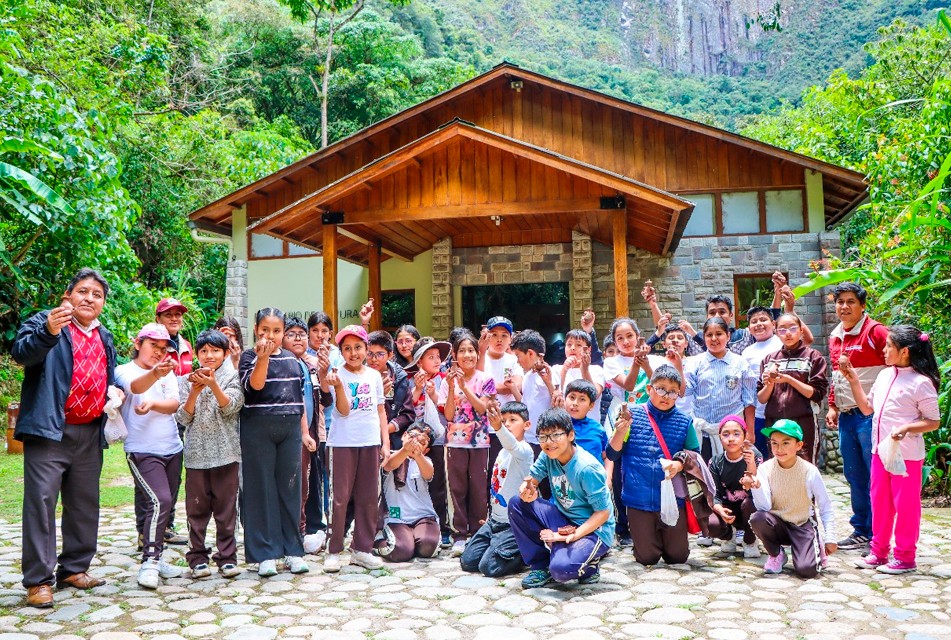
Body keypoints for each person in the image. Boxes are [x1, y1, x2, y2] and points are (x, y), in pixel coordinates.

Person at [13, 269, 118, 607]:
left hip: (90, 431)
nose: (89, 298)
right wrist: (48, 331)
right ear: (68, 295)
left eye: (97, 294)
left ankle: (74, 568)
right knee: (41, 503)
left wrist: (114, 391)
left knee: (84, 503)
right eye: (83, 291)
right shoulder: (45, 322)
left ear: (103, 303)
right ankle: (38, 581)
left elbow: (109, 375)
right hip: (49, 431)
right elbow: (22, 354)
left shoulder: (104, 335)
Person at [843, 326, 941, 574]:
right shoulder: (885, 375)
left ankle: (905, 558)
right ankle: (878, 552)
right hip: (880, 452)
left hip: (906, 456)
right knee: (880, 503)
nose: (884, 350)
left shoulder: (921, 383)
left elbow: (933, 421)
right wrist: (853, 380)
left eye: (888, 346)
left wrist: (907, 428)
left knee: (906, 506)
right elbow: (867, 409)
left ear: (904, 351)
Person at [239, 308, 316, 577]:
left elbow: (300, 402)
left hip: (289, 430)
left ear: (283, 332)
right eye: (264, 331)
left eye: (276, 331)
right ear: (256, 331)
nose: (270, 336)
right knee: (261, 490)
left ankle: (293, 551)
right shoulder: (249, 357)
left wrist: (304, 433)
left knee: (290, 490)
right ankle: (265, 554)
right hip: (257, 429)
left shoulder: (293, 361)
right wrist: (262, 359)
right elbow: (256, 386)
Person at [509, 408, 615, 588]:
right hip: (563, 518)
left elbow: (603, 513)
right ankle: (541, 566)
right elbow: (531, 480)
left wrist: (572, 536)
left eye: (556, 435)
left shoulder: (587, 468)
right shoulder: (547, 455)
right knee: (517, 503)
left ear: (571, 435)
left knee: (561, 570)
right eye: (543, 437)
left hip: (594, 530)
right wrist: (527, 491)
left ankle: (590, 567)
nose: (549, 442)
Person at [606, 365, 700, 566]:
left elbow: (694, 455)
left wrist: (679, 464)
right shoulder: (631, 415)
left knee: (677, 557)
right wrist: (620, 431)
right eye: (661, 389)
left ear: (678, 395)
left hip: (672, 498)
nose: (666, 396)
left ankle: (665, 539)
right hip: (638, 498)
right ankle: (645, 541)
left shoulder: (684, 422)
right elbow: (613, 454)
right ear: (649, 389)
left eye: (673, 391)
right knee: (647, 557)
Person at [115, 323, 185, 589]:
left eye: (163, 348)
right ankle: (150, 561)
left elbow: (174, 404)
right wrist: (155, 374)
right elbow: (134, 387)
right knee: (159, 500)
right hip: (142, 449)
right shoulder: (124, 370)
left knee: (164, 505)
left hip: (172, 448)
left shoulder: (166, 372)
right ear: (138, 343)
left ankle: (158, 558)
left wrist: (155, 403)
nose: (158, 352)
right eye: (153, 345)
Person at [826, 282, 889, 551]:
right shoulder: (835, 335)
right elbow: (837, 376)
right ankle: (862, 529)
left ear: (863, 305)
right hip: (847, 417)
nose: (844, 306)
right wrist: (832, 406)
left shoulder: (876, 332)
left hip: (870, 417)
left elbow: (897, 363)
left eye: (851, 301)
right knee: (854, 476)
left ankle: (879, 532)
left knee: (875, 476)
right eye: (840, 301)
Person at [176, 329, 244, 579]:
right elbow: (182, 418)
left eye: (215, 350)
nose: (209, 355)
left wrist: (213, 384)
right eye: (204, 351)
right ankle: (197, 558)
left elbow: (231, 408)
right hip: (196, 457)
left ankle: (227, 558)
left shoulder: (233, 377)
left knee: (227, 511)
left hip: (227, 454)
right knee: (196, 511)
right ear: (197, 354)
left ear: (225, 353)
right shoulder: (186, 381)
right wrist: (195, 391)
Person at [322, 325, 389, 572]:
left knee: (369, 497)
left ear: (366, 348)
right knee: (339, 498)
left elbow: (380, 410)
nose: (353, 353)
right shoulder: (335, 374)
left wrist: (385, 442)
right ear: (341, 351)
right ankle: (333, 550)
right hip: (342, 443)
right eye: (347, 348)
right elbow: (343, 410)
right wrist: (339, 386)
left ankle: (362, 549)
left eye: (358, 347)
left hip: (370, 442)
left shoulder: (373, 376)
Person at [747, 419, 837, 578]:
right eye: (774, 443)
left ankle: (815, 546)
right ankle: (776, 554)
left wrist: (830, 537)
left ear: (799, 445)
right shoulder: (765, 469)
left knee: (807, 570)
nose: (779, 449)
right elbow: (764, 507)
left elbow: (825, 505)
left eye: (786, 443)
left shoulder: (809, 471)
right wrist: (757, 487)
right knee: (757, 518)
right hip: (777, 524)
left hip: (801, 523)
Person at [439, 329, 496, 556]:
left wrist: (465, 388)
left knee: (479, 489)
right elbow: (449, 415)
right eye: (462, 351)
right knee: (457, 489)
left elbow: (483, 409)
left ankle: (479, 533)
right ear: (455, 355)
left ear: (477, 353)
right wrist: (453, 387)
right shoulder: (447, 381)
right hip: (455, 443)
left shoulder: (486, 380)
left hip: (480, 442)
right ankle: (459, 535)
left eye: (471, 350)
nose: (467, 355)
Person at [461, 401, 534, 577]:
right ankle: (497, 546)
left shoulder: (525, 451)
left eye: (513, 420)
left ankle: (526, 551)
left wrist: (498, 427)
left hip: (512, 524)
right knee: (468, 562)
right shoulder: (502, 452)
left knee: (488, 567)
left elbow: (512, 445)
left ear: (526, 425)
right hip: (494, 521)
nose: (507, 424)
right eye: (504, 420)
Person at [146, 298, 193, 547]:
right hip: (154, 416)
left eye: (178, 314)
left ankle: (166, 526)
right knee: (152, 475)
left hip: (180, 417)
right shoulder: (151, 344)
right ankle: (146, 530)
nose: (174, 318)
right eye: (168, 314)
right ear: (158, 318)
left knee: (174, 475)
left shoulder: (186, 346)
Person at [284, 317, 332, 555]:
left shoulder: (310, 364)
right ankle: (294, 533)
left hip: (312, 432)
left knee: (309, 483)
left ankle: (308, 529)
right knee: (294, 485)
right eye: (291, 334)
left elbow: (326, 399)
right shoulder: (281, 364)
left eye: (301, 334)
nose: (298, 338)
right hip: (288, 434)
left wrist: (322, 372)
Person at [757, 313, 828, 464]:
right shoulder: (769, 360)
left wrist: (789, 379)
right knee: (778, 465)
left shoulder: (813, 357)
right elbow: (762, 398)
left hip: (804, 421)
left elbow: (817, 394)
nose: (788, 333)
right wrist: (770, 383)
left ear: (801, 331)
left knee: (805, 466)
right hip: (775, 422)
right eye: (782, 329)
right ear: (776, 332)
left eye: (793, 328)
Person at [684, 317, 757, 459]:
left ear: (728, 336)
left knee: (732, 469)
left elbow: (749, 401)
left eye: (719, 334)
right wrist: (678, 368)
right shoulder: (696, 363)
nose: (714, 338)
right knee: (702, 470)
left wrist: (750, 432)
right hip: (702, 432)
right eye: (709, 335)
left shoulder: (740, 363)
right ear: (704, 338)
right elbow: (685, 391)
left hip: (731, 434)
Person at [405, 339, 452, 546]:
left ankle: (443, 527)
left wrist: (433, 393)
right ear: (419, 362)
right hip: (414, 439)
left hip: (438, 439)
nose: (436, 361)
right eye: (430, 357)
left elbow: (447, 409)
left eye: (438, 357)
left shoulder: (444, 379)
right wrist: (418, 388)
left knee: (438, 484)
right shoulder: (409, 380)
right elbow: (406, 407)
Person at [375, 424, 440, 562]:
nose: (415, 442)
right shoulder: (390, 456)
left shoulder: (426, 461)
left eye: (421, 442)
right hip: (397, 517)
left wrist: (418, 454)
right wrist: (405, 450)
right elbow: (389, 465)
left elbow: (428, 474)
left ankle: (413, 540)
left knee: (428, 547)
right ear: (404, 435)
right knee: (401, 551)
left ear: (426, 450)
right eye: (412, 436)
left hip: (423, 516)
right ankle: (377, 542)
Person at [706, 416, 762, 558]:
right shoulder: (715, 462)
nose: (731, 439)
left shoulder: (755, 457)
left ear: (745, 436)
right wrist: (720, 509)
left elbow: (758, 491)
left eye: (736, 434)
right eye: (726, 434)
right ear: (719, 437)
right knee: (710, 522)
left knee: (750, 503)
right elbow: (714, 494)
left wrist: (750, 464)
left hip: (748, 509)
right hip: (728, 509)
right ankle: (728, 536)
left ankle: (749, 540)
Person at [478, 316, 524, 474]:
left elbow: (516, 385)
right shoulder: (479, 358)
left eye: (504, 335)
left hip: (508, 426)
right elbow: (476, 384)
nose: (499, 340)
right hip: (482, 426)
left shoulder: (514, 360)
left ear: (510, 339)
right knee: (485, 472)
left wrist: (488, 386)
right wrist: (502, 386)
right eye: (494, 335)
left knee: (506, 471)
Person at [741, 306, 783, 456]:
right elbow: (747, 387)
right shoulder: (747, 352)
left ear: (773, 324)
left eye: (763, 320)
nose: (758, 324)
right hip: (758, 414)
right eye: (754, 321)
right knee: (761, 458)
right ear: (749, 328)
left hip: (782, 413)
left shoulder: (782, 345)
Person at [367, 331, 415, 451]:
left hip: (394, 439)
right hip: (365, 436)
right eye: (369, 354)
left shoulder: (399, 377)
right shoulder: (359, 376)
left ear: (390, 355)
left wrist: (385, 430)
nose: (373, 359)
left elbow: (407, 414)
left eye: (380, 354)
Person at [511, 329, 555, 455]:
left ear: (530, 353)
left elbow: (558, 402)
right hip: (528, 438)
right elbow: (526, 405)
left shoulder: (550, 374)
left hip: (546, 439)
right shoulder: (527, 376)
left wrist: (548, 382)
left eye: (518, 356)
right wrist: (513, 388)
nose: (517, 361)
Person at [553, 330, 606, 424]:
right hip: (564, 425)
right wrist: (564, 370)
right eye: (569, 344)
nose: (573, 348)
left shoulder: (596, 370)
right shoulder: (556, 369)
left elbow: (594, 395)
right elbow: (555, 394)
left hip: (589, 427)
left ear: (588, 349)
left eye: (578, 345)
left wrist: (584, 369)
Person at [563, 379, 608, 466]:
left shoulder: (597, 428)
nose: (575, 403)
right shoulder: (556, 426)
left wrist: (608, 474)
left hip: (595, 473)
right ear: (565, 400)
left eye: (582, 399)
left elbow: (606, 456)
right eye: (572, 397)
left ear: (591, 406)